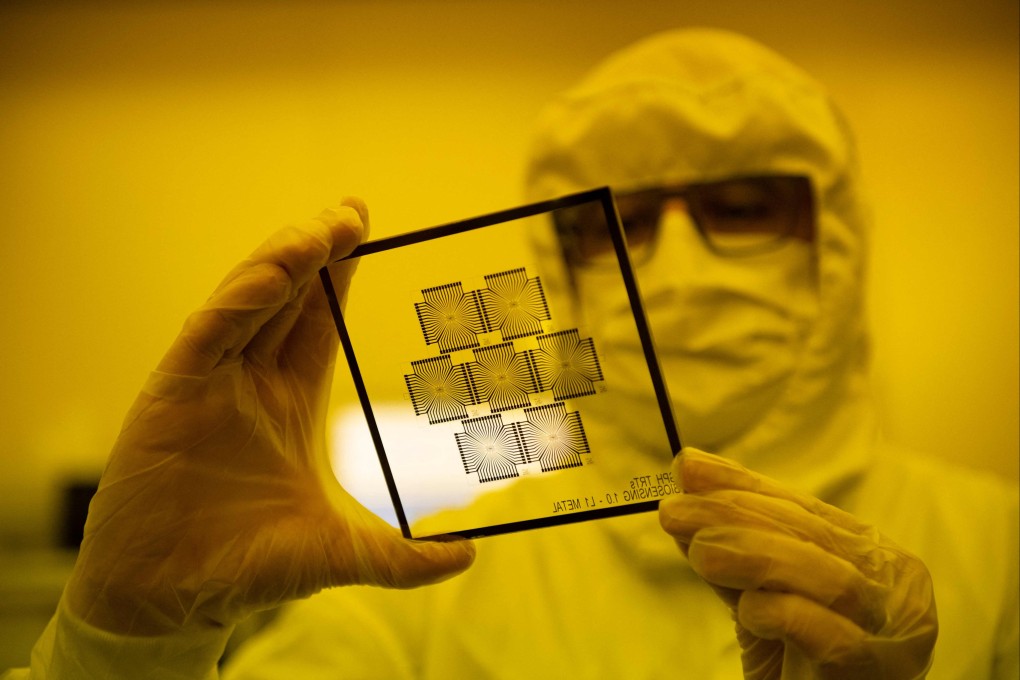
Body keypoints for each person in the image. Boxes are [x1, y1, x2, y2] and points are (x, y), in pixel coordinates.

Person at [5, 28, 1017, 680]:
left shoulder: (1000, 553)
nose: (673, 265)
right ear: (561, 263)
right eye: (614, 225)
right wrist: (124, 640)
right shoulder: (435, 583)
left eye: (743, 208)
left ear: (838, 245)